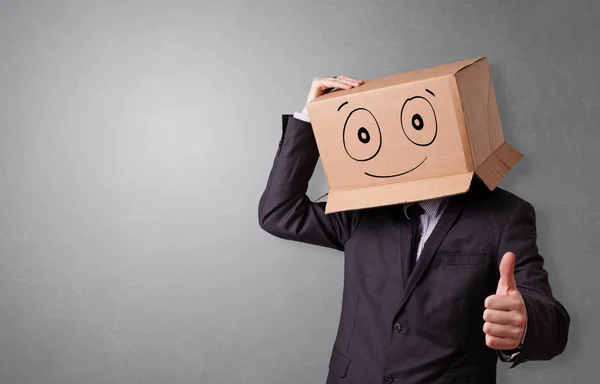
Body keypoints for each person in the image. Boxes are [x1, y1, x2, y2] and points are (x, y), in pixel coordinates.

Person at [258, 76, 570, 384]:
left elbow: (550, 321)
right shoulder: (363, 207)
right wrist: (311, 117)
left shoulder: (505, 214)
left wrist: (526, 322)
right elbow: (280, 212)